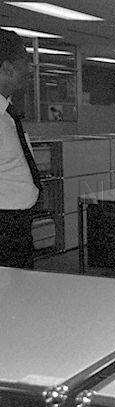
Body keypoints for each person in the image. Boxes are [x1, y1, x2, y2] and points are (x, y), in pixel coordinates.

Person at [0, 28, 39, 269]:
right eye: (25, 60)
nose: (30, 68)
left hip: (17, 224)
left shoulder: (8, 114)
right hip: (5, 225)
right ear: (7, 68)